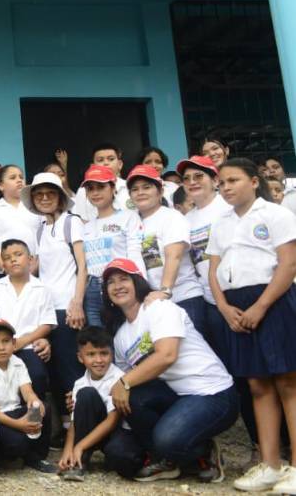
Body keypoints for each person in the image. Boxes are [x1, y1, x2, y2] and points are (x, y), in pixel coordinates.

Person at [104, 258, 237, 484]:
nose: (117, 286)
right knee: (132, 396)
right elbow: (122, 382)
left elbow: (167, 355)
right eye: (111, 282)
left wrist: (124, 382)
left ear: (138, 282)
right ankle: (171, 460)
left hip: (213, 393)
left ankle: (202, 450)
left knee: (167, 440)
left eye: (124, 279)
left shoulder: (159, 308)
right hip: (176, 396)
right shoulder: (121, 337)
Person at [206, 158, 296, 492]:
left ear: (254, 181)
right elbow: (214, 270)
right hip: (236, 305)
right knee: (257, 384)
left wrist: (261, 306)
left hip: (273, 298)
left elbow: (288, 264)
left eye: (233, 180)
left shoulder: (276, 215)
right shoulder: (221, 223)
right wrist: (225, 309)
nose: (226, 187)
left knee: (288, 381)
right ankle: (270, 463)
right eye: (222, 183)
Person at [23, 171, 86, 431]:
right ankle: (64, 425)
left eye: (50, 193)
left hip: (67, 307)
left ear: (60, 197)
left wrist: (77, 302)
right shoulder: (41, 228)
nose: (45, 198)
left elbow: (83, 266)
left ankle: (80, 427)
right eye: (39, 195)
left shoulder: (72, 222)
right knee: (55, 370)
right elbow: (38, 267)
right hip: (46, 309)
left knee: (71, 368)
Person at [126, 165, 208, 337]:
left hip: (183, 298)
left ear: (160, 191)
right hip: (155, 303)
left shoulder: (171, 217)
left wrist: (165, 291)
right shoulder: (134, 223)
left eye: (147, 187)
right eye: (135, 189)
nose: (140, 192)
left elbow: (174, 256)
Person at [58, 327, 143, 481]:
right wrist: (68, 449)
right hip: (92, 428)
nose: (98, 360)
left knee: (125, 460)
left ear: (111, 354)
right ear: (80, 357)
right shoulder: (80, 383)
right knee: (86, 394)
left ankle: (88, 452)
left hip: (116, 431)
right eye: (91, 354)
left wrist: (80, 446)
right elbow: (74, 422)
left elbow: (111, 422)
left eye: (104, 353)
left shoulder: (119, 379)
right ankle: (78, 462)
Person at [0, 239, 55, 399]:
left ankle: (38, 419)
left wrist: (22, 341)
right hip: (1, 347)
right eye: (7, 257)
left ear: (30, 259)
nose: (12, 259)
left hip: (29, 347)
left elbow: (47, 323)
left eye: (18, 255)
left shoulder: (41, 289)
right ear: (3, 265)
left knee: (37, 377)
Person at [0, 319, 55, 472]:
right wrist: (19, 425)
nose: (1, 347)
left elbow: (27, 392)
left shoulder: (17, 362)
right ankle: (2, 457)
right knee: (16, 443)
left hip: (16, 410)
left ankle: (36, 457)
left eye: (6, 341)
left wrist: (34, 402)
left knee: (42, 408)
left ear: (14, 343)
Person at [80, 165, 144, 328]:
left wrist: (142, 289)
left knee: (125, 336)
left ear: (113, 187)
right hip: (92, 289)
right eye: (90, 188)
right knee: (100, 343)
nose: (95, 193)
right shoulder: (85, 227)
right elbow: (83, 266)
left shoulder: (128, 217)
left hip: (119, 286)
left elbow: (135, 254)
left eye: (101, 187)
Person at [176, 156, 232, 308]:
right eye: (186, 179)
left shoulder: (230, 206)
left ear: (215, 181)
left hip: (238, 292)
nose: (192, 182)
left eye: (198, 176)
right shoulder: (184, 220)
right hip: (209, 299)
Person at [0, 164, 41, 276]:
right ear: (1, 185)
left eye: (21, 177)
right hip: (3, 274)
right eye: (13, 178)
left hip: (36, 270)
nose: (19, 180)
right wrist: (4, 268)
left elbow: (44, 239)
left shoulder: (35, 207)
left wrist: (36, 267)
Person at [71, 143, 133, 222]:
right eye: (100, 160)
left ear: (120, 164)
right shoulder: (83, 191)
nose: (106, 163)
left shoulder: (130, 186)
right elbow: (80, 220)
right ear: (92, 166)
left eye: (111, 159)